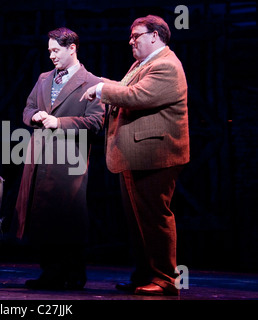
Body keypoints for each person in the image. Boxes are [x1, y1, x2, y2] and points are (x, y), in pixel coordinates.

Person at [80, 15, 190, 296]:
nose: (131, 40)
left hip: (155, 156)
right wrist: (93, 80)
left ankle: (166, 279)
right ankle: (144, 273)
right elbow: (125, 86)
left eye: (136, 35)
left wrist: (102, 89)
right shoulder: (143, 64)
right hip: (136, 154)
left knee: (155, 218)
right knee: (138, 220)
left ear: (155, 35)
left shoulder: (166, 65)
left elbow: (137, 96)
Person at [13, 27, 105, 290]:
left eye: (56, 50)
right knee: (41, 214)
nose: (51, 55)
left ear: (72, 48)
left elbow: (96, 122)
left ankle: (74, 273)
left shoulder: (91, 82)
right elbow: (28, 107)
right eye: (49, 50)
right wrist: (34, 117)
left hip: (69, 158)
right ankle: (50, 272)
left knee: (68, 215)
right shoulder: (44, 79)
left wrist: (59, 122)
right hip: (40, 155)